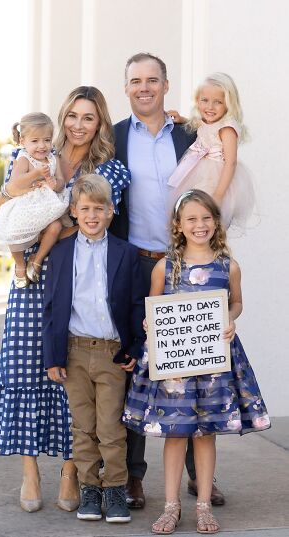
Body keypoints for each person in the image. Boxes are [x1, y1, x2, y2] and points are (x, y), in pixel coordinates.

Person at [0, 86, 130, 514]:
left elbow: (86, 225)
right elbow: (0, 204)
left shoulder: (111, 170)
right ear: (61, 117)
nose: (78, 125)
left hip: (76, 281)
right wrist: (27, 210)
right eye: (72, 115)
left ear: (100, 123)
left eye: (89, 117)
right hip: (28, 277)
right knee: (24, 366)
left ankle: (72, 471)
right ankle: (30, 471)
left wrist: (47, 220)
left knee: (72, 377)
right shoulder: (32, 155)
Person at [110, 52, 225, 509]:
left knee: (194, 365)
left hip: (187, 264)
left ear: (166, 85)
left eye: (152, 80)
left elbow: (219, 180)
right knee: (136, 366)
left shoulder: (191, 134)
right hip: (133, 265)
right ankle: (133, 476)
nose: (144, 87)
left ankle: (201, 477)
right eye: (135, 80)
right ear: (126, 87)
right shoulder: (113, 137)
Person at [122, 190, 270, 534]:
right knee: (175, 434)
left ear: (215, 222)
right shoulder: (165, 266)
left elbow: (236, 302)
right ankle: (171, 506)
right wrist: (150, 322)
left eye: (206, 218)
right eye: (191, 219)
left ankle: (203, 504)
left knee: (205, 434)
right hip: (176, 368)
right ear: (178, 225)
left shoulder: (227, 265)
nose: (199, 225)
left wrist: (229, 320)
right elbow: (154, 306)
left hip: (214, 361)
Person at [42, 174, 146, 524]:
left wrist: (133, 347)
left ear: (110, 211)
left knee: (111, 427)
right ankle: (89, 489)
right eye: (84, 209)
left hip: (111, 352)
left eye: (98, 209)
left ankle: (115, 488)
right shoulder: (60, 253)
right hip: (73, 352)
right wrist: (53, 356)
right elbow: (53, 307)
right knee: (82, 426)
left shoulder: (125, 253)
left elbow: (135, 304)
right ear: (73, 211)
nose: (91, 215)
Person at [0, 113, 69, 288]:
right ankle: (20, 263)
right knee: (13, 231)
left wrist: (55, 184)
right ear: (23, 141)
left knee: (56, 227)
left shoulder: (54, 159)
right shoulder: (24, 159)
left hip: (47, 207)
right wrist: (37, 173)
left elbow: (61, 182)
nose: (42, 146)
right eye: (35, 141)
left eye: (46, 140)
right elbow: (15, 183)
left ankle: (36, 259)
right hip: (26, 206)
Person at [167, 73, 255, 230]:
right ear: (197, 101)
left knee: (206, 213)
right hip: (199, 173)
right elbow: (202, 126)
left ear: (228, 104)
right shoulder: (207, 121)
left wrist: (219, 195)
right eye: (205, 100)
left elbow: (231, 163)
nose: (210, 107)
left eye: (218, 102)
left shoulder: (227, 128)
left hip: (217, 177)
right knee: (191, 209)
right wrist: (182, 119)